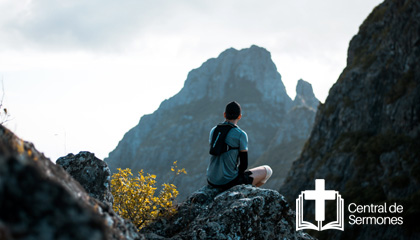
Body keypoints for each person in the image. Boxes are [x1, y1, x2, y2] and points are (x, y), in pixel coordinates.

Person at [206, 101, 272, 190]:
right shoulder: (241, 134)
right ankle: (247, 192)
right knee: (268, 170)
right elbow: (244, 164)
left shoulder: (213, 130)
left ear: (224, 114)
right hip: (228, 182)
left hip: (211, 180)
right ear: (240, 116)